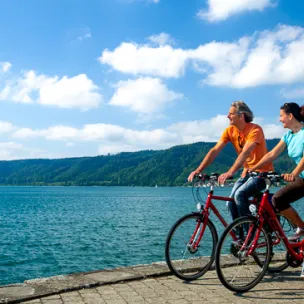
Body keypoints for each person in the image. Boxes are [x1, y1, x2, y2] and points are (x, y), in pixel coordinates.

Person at [188, 101, 273, 221]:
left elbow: (245, 152)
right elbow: (215, 150)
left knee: (240, 195)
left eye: (231, 114)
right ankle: (240, 237)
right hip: (247, 174)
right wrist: (198, 170)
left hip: (262, 173)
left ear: (241, 115)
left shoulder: (255, 130)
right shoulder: (230, 131)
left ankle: (249, 234)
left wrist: (230, 172)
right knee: (230, 203)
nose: (228, 116)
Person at [250, 102, 304, 241]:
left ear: (290, 116)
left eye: (281, 116)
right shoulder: (288, 136)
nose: (279, 119)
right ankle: (301, 227)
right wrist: (254, 167)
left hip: (299, 175)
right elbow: (272, 154)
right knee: (278, 199)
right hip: (302, 178)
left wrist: (294, 173)